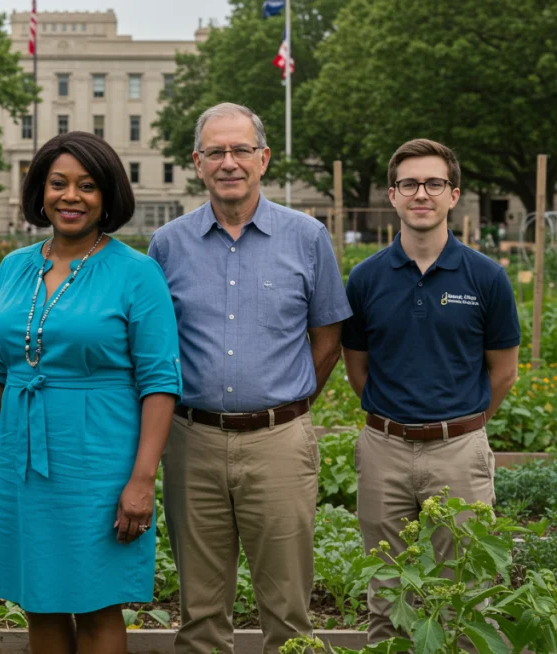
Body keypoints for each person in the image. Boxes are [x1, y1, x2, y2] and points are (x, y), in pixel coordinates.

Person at [0, 131, 182, 653]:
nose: (71, 196)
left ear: (107, 196)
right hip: (24, 461)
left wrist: (141, 479)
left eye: (87, 185)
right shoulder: (16, 267)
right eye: (58, 183)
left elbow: (160, 382)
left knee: (97, 602)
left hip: (99, 462)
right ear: (40, 191)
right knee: (38, 600)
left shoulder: (136, 272)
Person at [147, 103, 351, 654]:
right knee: (201, 613)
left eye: (241, 150)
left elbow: (328, 334)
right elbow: (153, 344)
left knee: (288, 610)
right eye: (216, 151)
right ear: (197, 162)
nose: (229, 162)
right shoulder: (168, 245)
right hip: (192, 441)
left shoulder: (307, 237)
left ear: (263, 158)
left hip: (279, 441)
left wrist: (291, 398)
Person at [342, 139, 519, 643]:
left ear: (453, 194)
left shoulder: (487, 277)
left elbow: (503, 372)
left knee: (465, 593)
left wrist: (464, 425)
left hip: (458, 450)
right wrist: (393, 420)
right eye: (410, 184)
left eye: (434, 183)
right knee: (388, 594)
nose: (422, 193)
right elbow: (358, 368)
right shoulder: (366, 277)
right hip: (384, 451)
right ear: (393, 196)